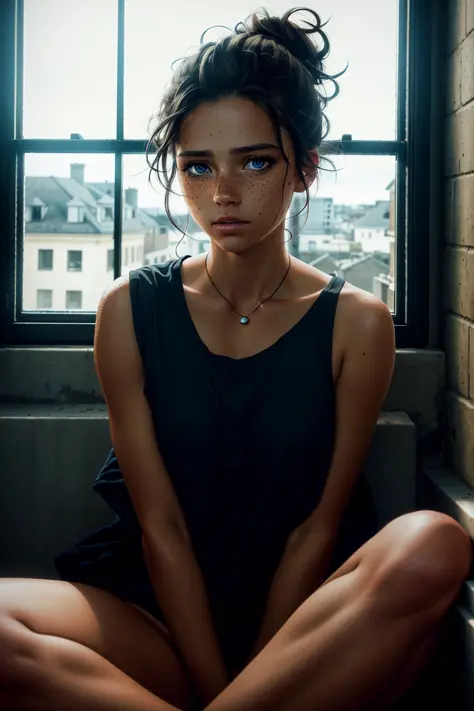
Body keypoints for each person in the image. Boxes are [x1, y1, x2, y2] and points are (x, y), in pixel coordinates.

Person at [0, 7, 471, 711]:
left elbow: (318, 526)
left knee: (434, 543)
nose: (223, 193)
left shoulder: (357, 323)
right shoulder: (129, 310)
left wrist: (262, 670)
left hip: (304, 620)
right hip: (156, 613)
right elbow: (160, 527)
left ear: (304, 169)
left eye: (255, 161)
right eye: (198, 165)